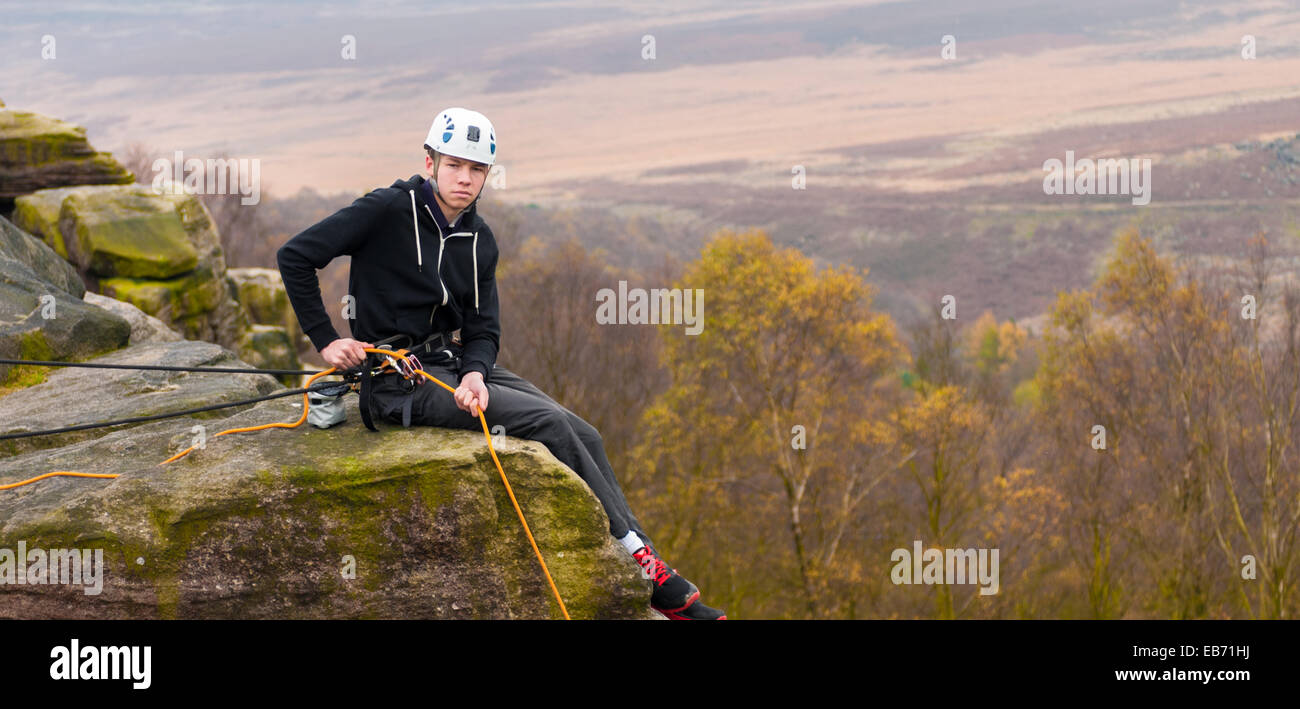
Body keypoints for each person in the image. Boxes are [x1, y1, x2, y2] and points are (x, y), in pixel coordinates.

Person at [276, 107, 725, 620]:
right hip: (395, 380)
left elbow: (484, 328)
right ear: (430, 161)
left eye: (477, 170)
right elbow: (295, 255)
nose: (465, 179)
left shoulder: (479, 239)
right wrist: (328, 341)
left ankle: (645, 557)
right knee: (549, 424)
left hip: (450, 363)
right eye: (454, 165)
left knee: (588, 433)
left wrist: (473, 374)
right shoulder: (386, 211)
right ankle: (651, 574)